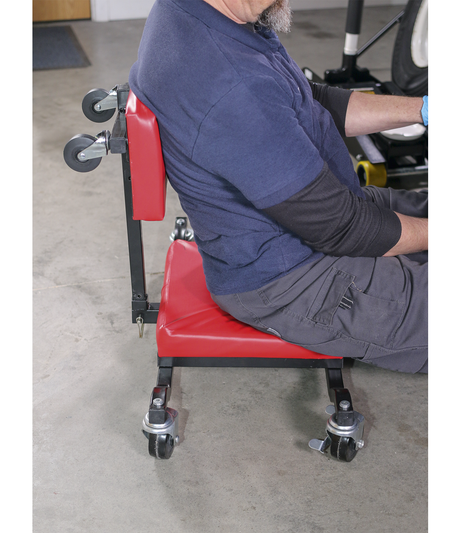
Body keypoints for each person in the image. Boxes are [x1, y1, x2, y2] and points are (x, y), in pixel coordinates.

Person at [129, 0, 428, 373]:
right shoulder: (231, 85)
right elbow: (342, 228)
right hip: (294, 280)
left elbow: (304, 100)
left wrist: (421, 109)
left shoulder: (202, 13)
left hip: (313, 214)